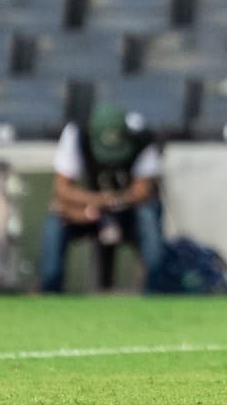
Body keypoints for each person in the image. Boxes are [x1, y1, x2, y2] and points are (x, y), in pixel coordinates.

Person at [38, 102, 165, 293]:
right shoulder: (76, 134)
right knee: (55, 220)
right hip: (86, 210)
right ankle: (50, 291)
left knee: (148, 215)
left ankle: (156, 292)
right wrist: (95, 205)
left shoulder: (141, 136)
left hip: (128, 210)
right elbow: (63, 190)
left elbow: (142, 191)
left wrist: (113, 202)